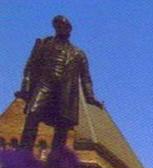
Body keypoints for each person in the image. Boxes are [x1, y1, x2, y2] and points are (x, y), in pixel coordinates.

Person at [15, 15, 104, 151]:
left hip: (65, 91)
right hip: (44, 84)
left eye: (64, 26)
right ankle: (24, 153)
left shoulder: (78, 54)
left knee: (62, 126)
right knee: (33, 113)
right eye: (58, 26)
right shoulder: (44, 44)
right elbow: (30, 66)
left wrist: (90, 98)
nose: (61, 29)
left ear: (69, 30)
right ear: (55, 27)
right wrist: (25, 88)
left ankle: (56, 162)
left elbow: (86, 78)